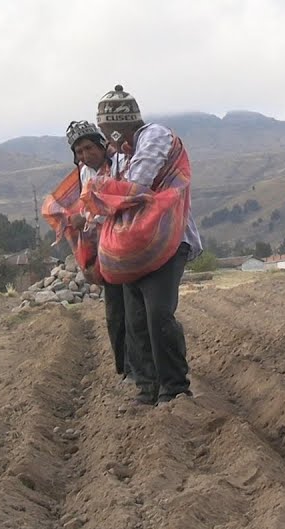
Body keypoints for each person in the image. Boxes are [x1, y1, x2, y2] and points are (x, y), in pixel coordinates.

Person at [84, 85, 200, 406]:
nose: (106, 138)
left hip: (168, 239)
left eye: (107, 130)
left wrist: (102, 189)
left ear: (118, 126)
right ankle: (147, 388)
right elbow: (112, 197)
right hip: (134, 247)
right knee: (135, 319)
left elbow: (138, 186)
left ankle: (175, 387)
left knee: (158, 315)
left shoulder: (155, 137)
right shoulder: (121, 154)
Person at [65, 120, 129, 381]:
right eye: (79, 152)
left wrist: (89, 216)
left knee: (137, 311)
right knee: (115, 312)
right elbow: (87, 205)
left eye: (89, 148)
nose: (85, 156)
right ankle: (126, 369)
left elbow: (123, 200)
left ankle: (147, 370)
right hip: (107, 248)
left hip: (127, 241)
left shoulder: (121, 164)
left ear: (102, 145)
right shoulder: (84, 173)